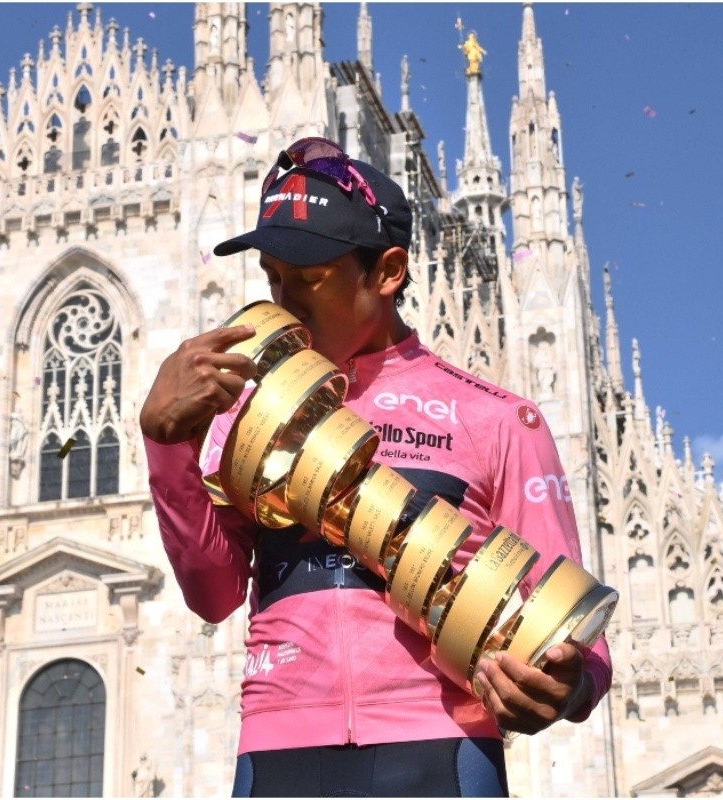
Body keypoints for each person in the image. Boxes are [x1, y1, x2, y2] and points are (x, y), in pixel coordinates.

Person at [140, 136, 612, 797]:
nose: (284, 301)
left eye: (309, 280)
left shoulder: (497, 418)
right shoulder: (245, 411)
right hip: (278, 748)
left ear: (388, 272)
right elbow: (213, 593)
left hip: (440, 751)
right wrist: (167, 443)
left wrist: (566, 682)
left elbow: (581, 639)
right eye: (273, 278)